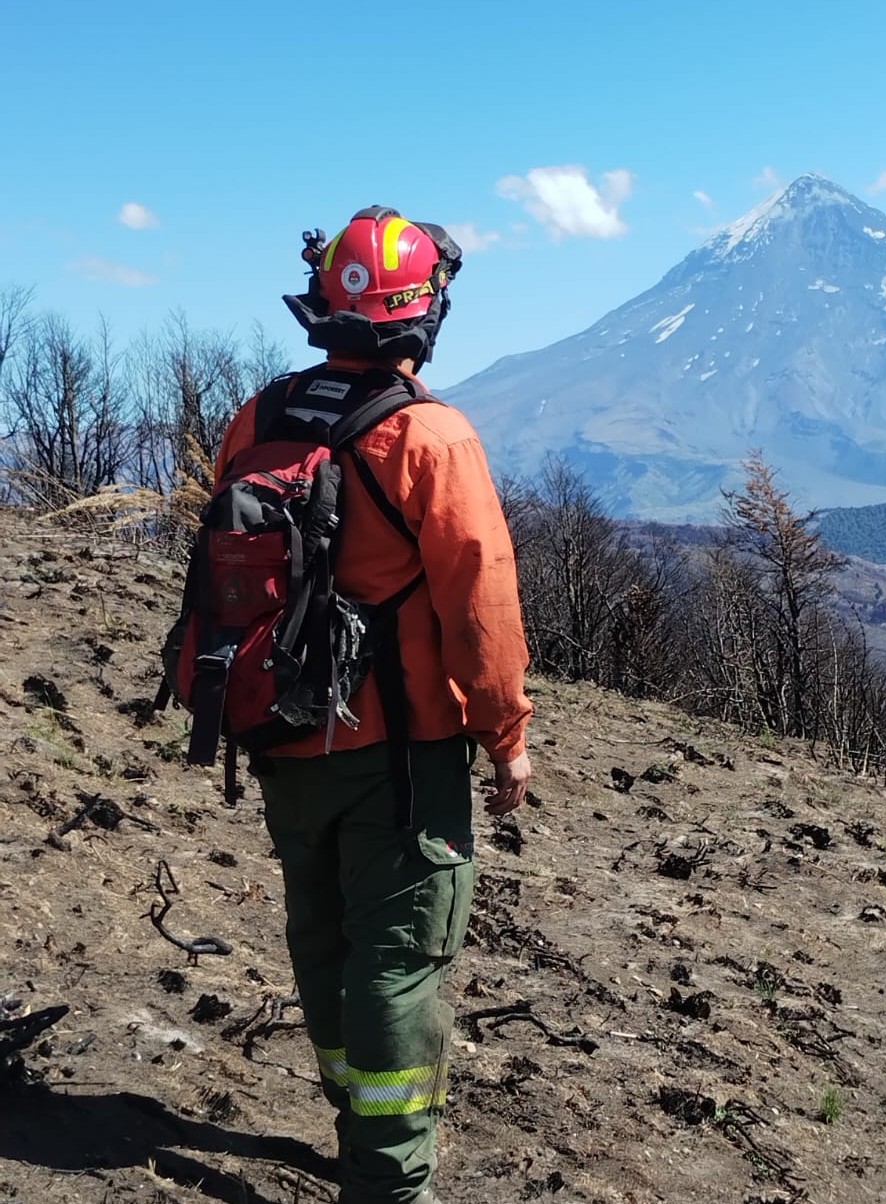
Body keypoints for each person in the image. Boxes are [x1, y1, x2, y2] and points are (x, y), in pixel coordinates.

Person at [211, 207, 533, 1204]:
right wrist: (506, 738)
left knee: (323, 938)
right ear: (423, 312)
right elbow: (479, 604)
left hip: (279, 735)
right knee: (396, 962)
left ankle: (358, 1130)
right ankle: (390, 1182)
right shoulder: (428, 436)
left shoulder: (259, 418)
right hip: (399, 753)